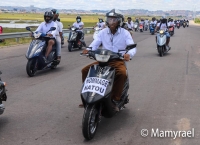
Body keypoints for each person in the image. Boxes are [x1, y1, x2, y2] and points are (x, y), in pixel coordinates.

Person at [79, 9, 137, 110]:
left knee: (122, 73)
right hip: (103, 59)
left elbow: (132, 47)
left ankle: (115, 99)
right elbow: (95, 43)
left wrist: (128, 54)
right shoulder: (102, 32)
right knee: (85, 70)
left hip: (117, 60)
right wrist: (88, 50)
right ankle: (87, 96)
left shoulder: (125, 33)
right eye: (110, 19)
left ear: (119, 21)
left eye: (114, 20)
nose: (111, 22)